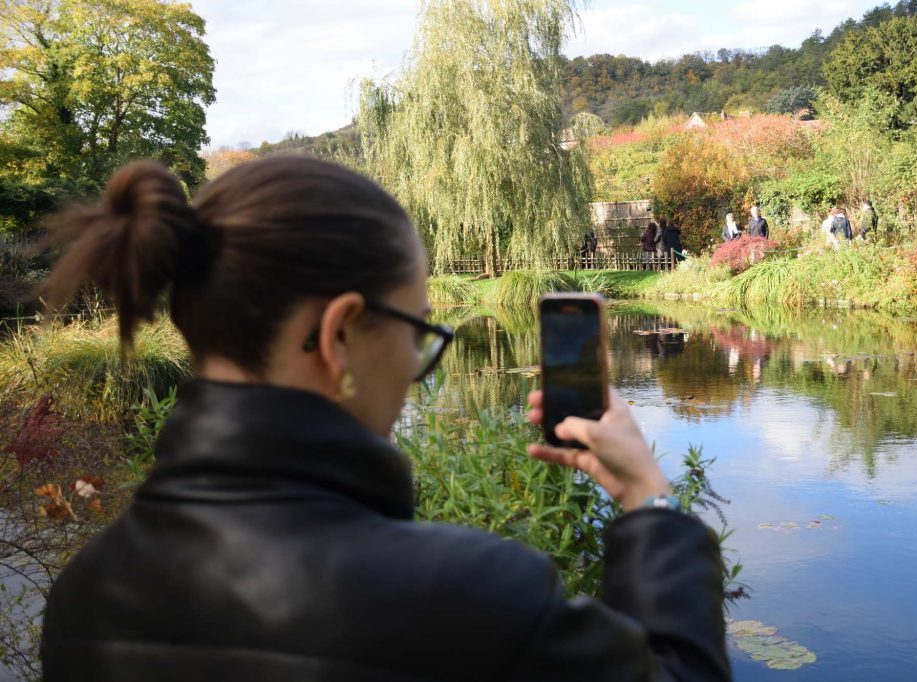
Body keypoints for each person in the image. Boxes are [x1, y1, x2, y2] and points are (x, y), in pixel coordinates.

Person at [40, 158, 729, 681]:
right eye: (416, 331)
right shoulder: (476, 596)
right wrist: (648, 504)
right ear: (339, 335)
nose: (413, 364)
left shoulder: (85, 595)